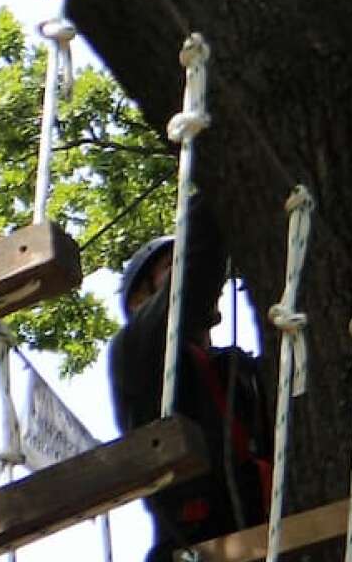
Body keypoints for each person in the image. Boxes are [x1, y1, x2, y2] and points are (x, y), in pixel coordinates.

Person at [108, 195, 271, 560]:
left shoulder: (237, 370)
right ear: (139, 301)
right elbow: (193, 280)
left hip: (268, 536)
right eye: (170, 266)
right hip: (197, 546)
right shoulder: (135, 350)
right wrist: (210, 185)